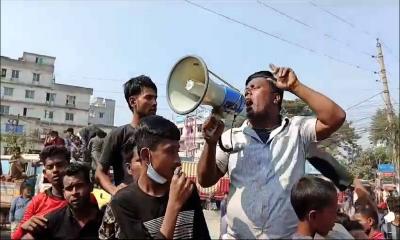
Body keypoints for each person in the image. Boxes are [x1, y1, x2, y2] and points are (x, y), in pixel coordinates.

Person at [198, 65, 346, 238]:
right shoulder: (231, 137)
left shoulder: (297, 130)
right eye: (246, 91)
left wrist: (296, 86)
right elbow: (205, 180)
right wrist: (210, 143)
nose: (247, 94)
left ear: (276, 98)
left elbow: (336, 117)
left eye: (254, 88)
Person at [99, 115, 210, 239]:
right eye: (170, 151)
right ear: (146, 156)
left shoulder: (186, 190)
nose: (178, 160)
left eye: (177, 151)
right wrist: (174, 205)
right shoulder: (123, 202)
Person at [96, 75, 158, 196]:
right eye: (148, 98)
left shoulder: (159, 134)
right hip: (128, 203)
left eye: (155, 98)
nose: (154, 103)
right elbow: (100, 173)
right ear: (133, 101)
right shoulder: (118, 135)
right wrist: (115, 191)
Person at [12, 145, 70, 239]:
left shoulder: (85, 198)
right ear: (45, 174)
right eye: (50, 167)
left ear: (69, 166)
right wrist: (24, 227)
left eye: (59, 165)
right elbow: (16, 237)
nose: (55, 170)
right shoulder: (37, 201)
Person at [33, 163, 103, 239]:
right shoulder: (51, 222)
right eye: (69, 188)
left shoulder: (105, 219)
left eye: (79, 186)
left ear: (90, 187)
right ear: (64, 193)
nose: (74, 192)